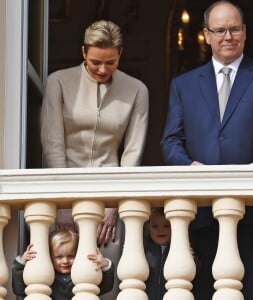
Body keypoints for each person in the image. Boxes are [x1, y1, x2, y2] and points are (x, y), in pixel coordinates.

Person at [161, 1, 253, 300]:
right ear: (207, 35)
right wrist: (189, 168)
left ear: (245, 32)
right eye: (220, 30)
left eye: (234, 29)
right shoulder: (183, 85)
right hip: (200, 216)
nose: (228, 36)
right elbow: (171, 140)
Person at [40, 19, 149, 298]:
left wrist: (113, 203)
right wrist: (62, 201)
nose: (102, 69)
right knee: (56, 282)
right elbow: (53, 143)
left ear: (120, 54)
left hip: (109, 199)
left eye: (110, 62)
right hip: (62, 193)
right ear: (83, 52)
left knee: (105, 282)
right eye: (95, 62)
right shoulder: (59, 82)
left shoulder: (137, 89)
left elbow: (132, 151)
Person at [12, 229, 114, 299]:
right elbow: (19, 290)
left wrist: (105, 265)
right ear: (49, 257)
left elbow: (105, 287)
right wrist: (22, 263)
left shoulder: (83, 274)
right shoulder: (44, 275)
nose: (65, 261)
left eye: (71, 256)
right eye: (59, 257)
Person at [144, 207, 200, 300]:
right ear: (148, 228)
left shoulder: (179, 249)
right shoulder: (145, 250)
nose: (160, 230)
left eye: (166, 225)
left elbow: (195, 272)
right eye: (155, 226)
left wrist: (192, 259)